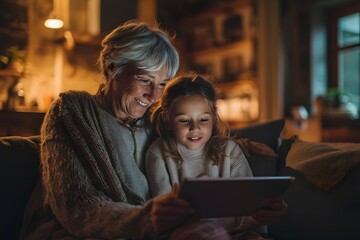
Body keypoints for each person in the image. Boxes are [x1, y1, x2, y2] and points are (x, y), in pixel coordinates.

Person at [21, 20, 285, 240]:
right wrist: (145, 218)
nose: (153, 95)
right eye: (145, 80)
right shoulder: (71, 113)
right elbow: (77, 207)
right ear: (112, 68)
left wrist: (241, 144)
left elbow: (192, 133)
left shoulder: (152, 121)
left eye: (162, 84)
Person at [146, 74, 286, 239]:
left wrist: (261, 215)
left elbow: (248, 204)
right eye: (184, 121)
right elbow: (166, 216)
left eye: (203, 119)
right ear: (167, 120)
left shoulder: (230, 150)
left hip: (239, 234)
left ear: (213, 119)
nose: (195, 128)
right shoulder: (158, 153)